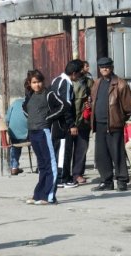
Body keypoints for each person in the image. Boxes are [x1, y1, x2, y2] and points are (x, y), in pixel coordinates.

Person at [22, 69, 65, 205]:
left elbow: (63, 106)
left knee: (50, 164)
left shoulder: (49, 94)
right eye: (34, 82)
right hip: (33, 132)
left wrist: (47, 118)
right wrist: (32, 119)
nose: (37, 85)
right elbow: (24, 108)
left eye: (39, 82)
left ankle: (50, 197)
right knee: (41, 165)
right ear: (30, 83)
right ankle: (39, 195)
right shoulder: (30, 95)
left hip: (44, 131)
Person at [90, 57, 131, 191]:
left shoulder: (121, 84)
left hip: (114, 124)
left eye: (107, 66)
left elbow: (128, 107)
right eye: (102, 67)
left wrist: (119, 119)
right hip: (99, 124)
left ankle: (122, 181)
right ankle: (106, 181)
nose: (104, 69)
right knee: (101, 155)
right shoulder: (96, 83)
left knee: (117, 153)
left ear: (112, 67)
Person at [49, 59, 84, 188]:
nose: (80, 76)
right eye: (80, 74)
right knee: (64, 150)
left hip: (56, 123)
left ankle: (61, 176)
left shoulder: (56, 80)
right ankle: (62, 178)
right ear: (74, 73)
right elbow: (66, 106)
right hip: (63, 124)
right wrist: (72, 125)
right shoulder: (66, 84)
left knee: (59, 150)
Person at [69, 64, 94, 185]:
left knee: (81, 148)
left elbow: (93, 98)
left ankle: (77, 173)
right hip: (70, 120)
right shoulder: (68, 83)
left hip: (84, 120)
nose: (87, 68)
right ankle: (66, 174)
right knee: (68, 149)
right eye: (84, 66)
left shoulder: (89, 82)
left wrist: (90, 105)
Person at [5, 94, 28, 175]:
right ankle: (40, 166)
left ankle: (14, 167)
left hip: (13, 134)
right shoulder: (32, 102)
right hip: (27, 135)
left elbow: (7, 118)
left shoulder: (15, 102)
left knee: (15, 145)